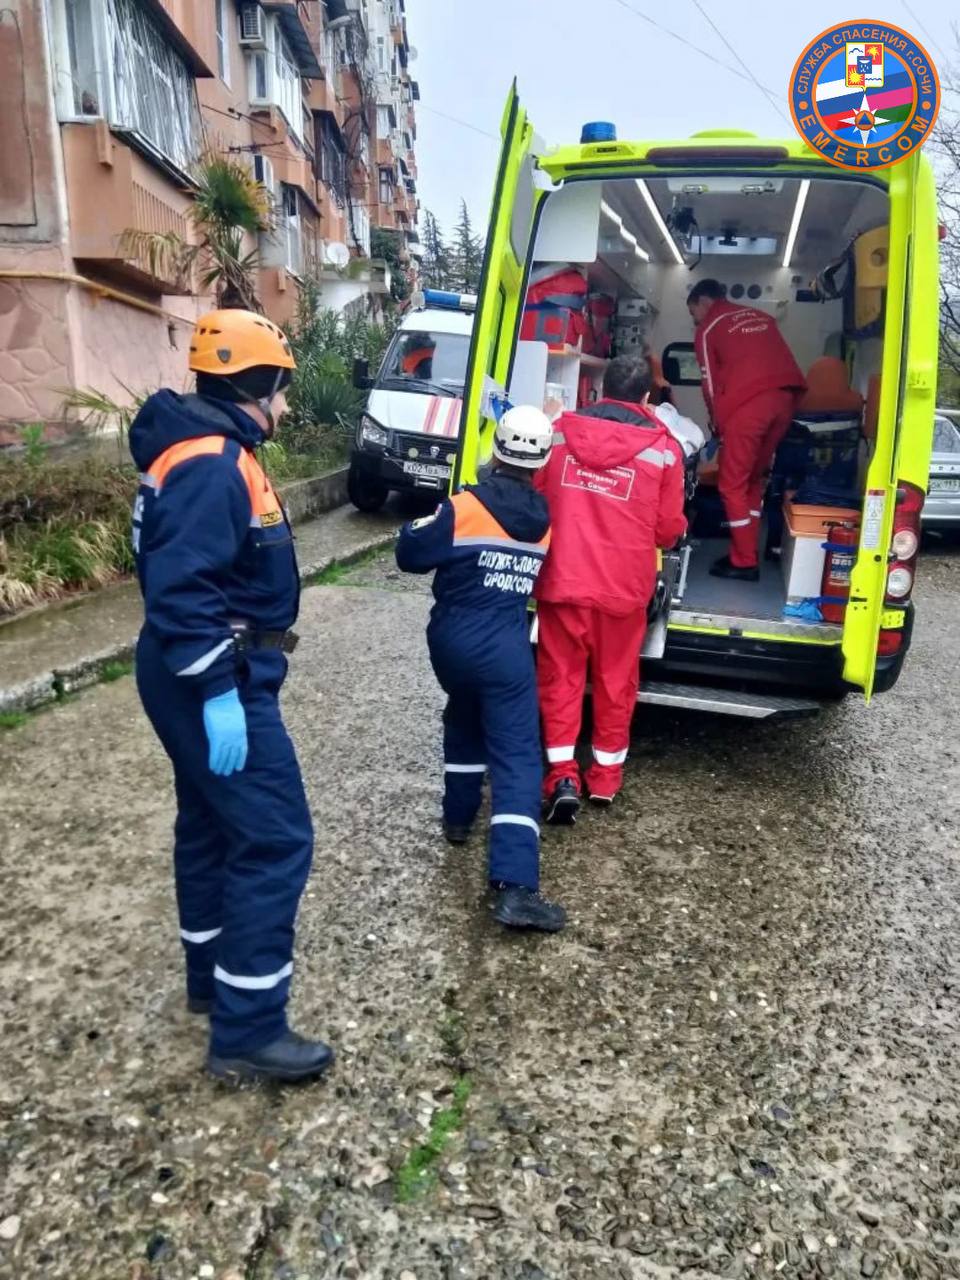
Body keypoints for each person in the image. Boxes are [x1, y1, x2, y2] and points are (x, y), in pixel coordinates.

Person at [129, 308, 334, 1084]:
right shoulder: (215, 461)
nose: (282, 407)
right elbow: (183, 591)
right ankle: (248, 1031)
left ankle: (210, 981)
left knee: (211, 826)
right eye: (278, 391)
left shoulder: (204, 449)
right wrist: (219, 690)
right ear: (253, 385)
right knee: (275, 838)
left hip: (197, 667)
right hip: (214, 672)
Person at [396, 406, 566, 933]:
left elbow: (409, 554)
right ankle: (515, 886)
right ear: (540, 462)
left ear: (497, 449)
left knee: (463, 715)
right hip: (504, 643)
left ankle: (457, 818)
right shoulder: (542, 523)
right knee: (516, 756)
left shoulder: (463, 507)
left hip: (450, 641)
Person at [534, 355, 687, 822]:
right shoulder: (665, 449)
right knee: (616, 682)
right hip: (623, 590)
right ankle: (604, 779)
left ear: (600, 390)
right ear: (647, 397)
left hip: (563, 581)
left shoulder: (559, 432)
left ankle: (562, 774)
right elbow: (667, 530)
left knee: (560, 679)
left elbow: (537, 496)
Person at [687, 279, 806, 580]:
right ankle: (747, 551)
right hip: (786, 398)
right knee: (753, 480)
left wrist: (717, 424)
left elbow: (710, 384)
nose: (695, 320)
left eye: (693, 313)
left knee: (730, 484)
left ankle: (744, 563)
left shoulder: (709, 328)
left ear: (703, 301)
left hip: (749, 405)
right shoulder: (761, 317)